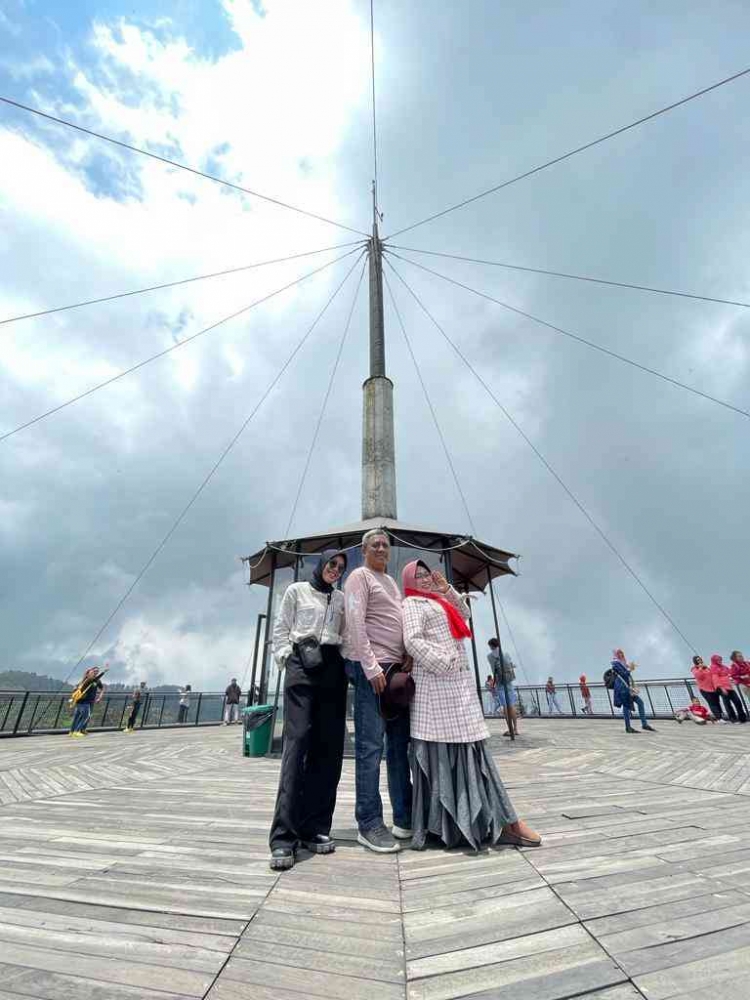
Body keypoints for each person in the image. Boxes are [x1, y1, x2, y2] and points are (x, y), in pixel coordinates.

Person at [402, 560, 540, 850]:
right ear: (408, 581)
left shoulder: (439, 599)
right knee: (448, 751)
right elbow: (412, 640)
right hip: (437, 689)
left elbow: (464, 614)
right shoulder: (412, 604)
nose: (425, 579)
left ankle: (492, 820)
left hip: (458, 691)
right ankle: (469, 824)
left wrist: (447, 588)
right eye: (419, 575)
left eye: (427, 574)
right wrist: (444, 662)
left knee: (473, 749)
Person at [268, 551, 349, 871]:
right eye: (332, 564)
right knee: (297, 743)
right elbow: (280, 628)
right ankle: (283, 837)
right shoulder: (296, 590)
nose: (335, 570)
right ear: (320, 563)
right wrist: (287, 657)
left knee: (328, 748)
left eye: (341, 567)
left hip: (332, 666)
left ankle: (315, 826)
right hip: (302, 663)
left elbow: (349, 632)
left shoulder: (341, 598)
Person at [344, 529, 412, 854]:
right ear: (363, 550)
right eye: (375, 544)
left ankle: (404, 816)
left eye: (385, 544)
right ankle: (369, 823)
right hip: (374, 670)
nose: (382, 548)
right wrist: (371, 668)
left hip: (396, 671)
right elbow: (355, 622)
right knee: (370, 748)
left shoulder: (391, 582)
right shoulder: (359, 576)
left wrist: (407, 652)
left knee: (398, 746)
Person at [611, 651, 656, 734]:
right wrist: (630, 669)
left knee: (640, 702)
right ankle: (628, 727)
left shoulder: (622, 663)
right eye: (619, 654)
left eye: (622, 653)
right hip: (622, 688)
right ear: (616, 655)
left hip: (628, 687)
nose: (621, 655)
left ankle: (644, 724)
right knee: (626, 706)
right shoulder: (615, 663)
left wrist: (630, 667)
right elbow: (624, 674)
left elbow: (627, 674)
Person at [488, 639, 519, 736]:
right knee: (511, 705)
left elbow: (493, 669)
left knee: (505, 706)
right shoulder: (505, 653)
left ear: (491, 646)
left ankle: (510, 730)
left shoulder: (490, 656)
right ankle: (516, 729)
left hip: (500, 682)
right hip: (509, 681)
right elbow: (510, 665)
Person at [69, 667, 105, 738]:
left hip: (81, 701)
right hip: (85, 701)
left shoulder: (84, 680)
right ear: (88, 674)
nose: (94, 673)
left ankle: (73, 731)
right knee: (85, 716)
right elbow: (95, 679)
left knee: (78, 716)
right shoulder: (89, 680)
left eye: (96, 672)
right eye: (92, 672)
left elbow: (100, 686)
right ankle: (77, 731)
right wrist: (104, 672)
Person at [710, 654, 747, 723]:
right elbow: (715, 679)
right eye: (718, 660)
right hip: (722, 688)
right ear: (714, 660)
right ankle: (733, 719)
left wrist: (736, 679)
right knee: (728, 704)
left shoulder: (724, 667)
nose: (720, 661)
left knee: (737, 702)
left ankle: (742, 718)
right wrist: (722, 688)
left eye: (720, 659)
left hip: (730, 687)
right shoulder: (713, 667)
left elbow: (731, 673)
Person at [691, 655, 725, 723]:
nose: (700, 661)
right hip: (704, 689)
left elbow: (712, 674)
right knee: (712, 703)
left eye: (700, 659)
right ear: (695, 661)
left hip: (713, 688)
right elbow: (698, 676)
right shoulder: (694, 669)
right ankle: (719, 718)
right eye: (698, 660)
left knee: (717, 702)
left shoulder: (706, 667)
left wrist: (707, 668)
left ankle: (720, 715)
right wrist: (700, 668)